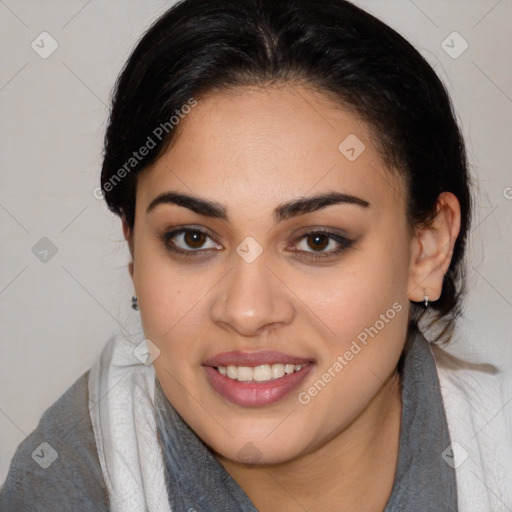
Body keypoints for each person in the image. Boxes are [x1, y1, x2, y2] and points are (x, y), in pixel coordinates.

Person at [1, 0, 511, 510]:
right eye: (193, 239)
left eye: (318, 241)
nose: (247, 311)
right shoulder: (64, 486)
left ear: (427, 249)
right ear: (134, 248)